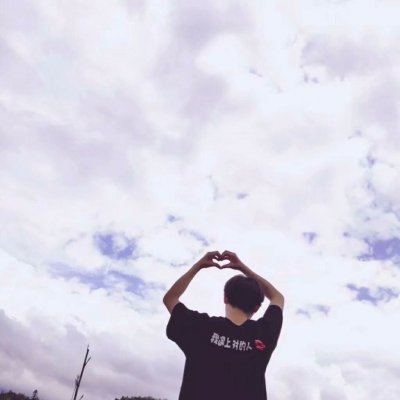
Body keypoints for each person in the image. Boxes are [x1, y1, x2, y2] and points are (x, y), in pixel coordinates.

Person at [163, 250, 284, 400]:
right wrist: (242, 267)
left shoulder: (201, 326)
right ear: (257, 307)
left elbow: (170, 298)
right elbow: (277, 297)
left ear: (225, 298)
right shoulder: (263, 334)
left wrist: (198, 266)